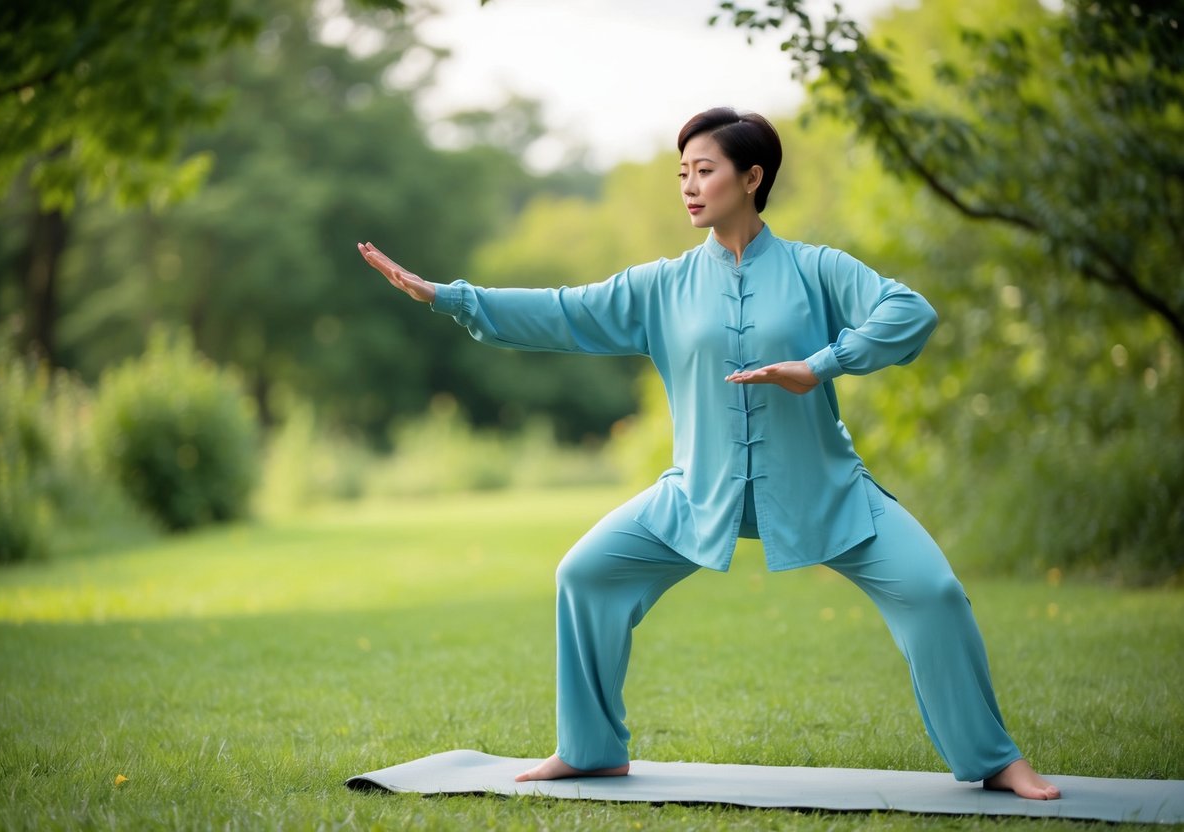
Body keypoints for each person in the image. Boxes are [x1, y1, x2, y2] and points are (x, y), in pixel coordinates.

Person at [357, 107, 1061, 801]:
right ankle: (590, 751)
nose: (689, 185)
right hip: (696, 492)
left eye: (704, 170)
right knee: (586, 574)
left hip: (825, 490)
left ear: (752, 177)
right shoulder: (662, 285)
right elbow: (564, 310)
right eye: (681, 173)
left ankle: (993, 760)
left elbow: (909, 312)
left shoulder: (818, 269)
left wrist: (820, 363)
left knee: (934, 594)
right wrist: (450, 297)